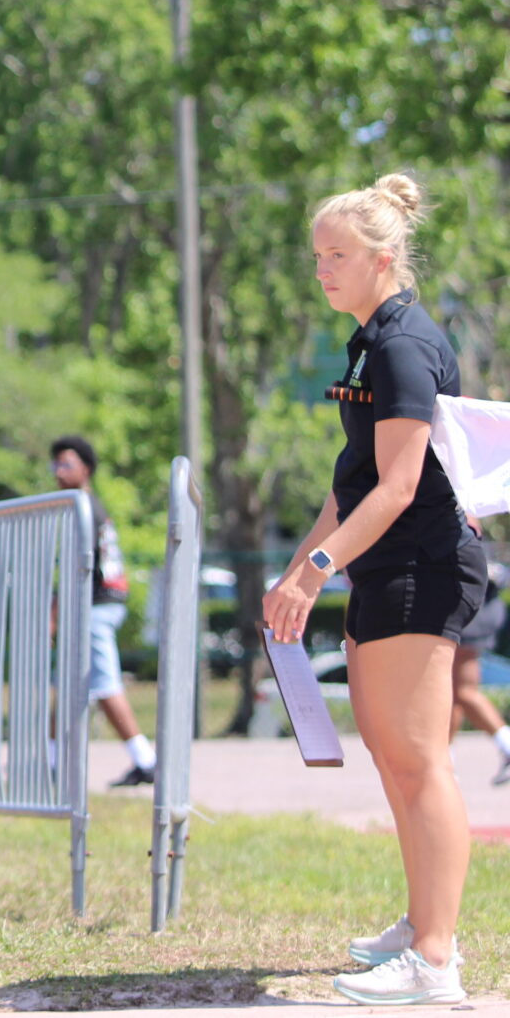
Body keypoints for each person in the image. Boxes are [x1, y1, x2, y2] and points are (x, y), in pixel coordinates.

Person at [264, 174, 475, 1006]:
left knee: (421, 762)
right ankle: (423, 922)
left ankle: (435, 957)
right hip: (388, 566)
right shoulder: (367, 339)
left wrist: (317, 572)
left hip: (423, 563)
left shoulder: (400, 345)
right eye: (317, 255)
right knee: (396, 758)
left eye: (338, 255)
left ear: (384, 258)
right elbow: (349, 483)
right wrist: (298, 565)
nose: (322, 269)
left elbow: (396, 486)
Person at [50, 435, 157, 787]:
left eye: (66, 463)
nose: (58, 471)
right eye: (56, 464)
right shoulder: (87, 506)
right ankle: (51, 762)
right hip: (96, 604)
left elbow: (77, 568)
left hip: (97, 605)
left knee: (104, 682)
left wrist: (55, 609)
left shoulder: (82, 509)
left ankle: (146, 760)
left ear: (86, 468)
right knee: (67, 681)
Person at [446, 519, 510, 785]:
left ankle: (506, 745)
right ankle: (444, 759)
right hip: (478, 607)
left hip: (470, 609)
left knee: (462, 690)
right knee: (451, 691)